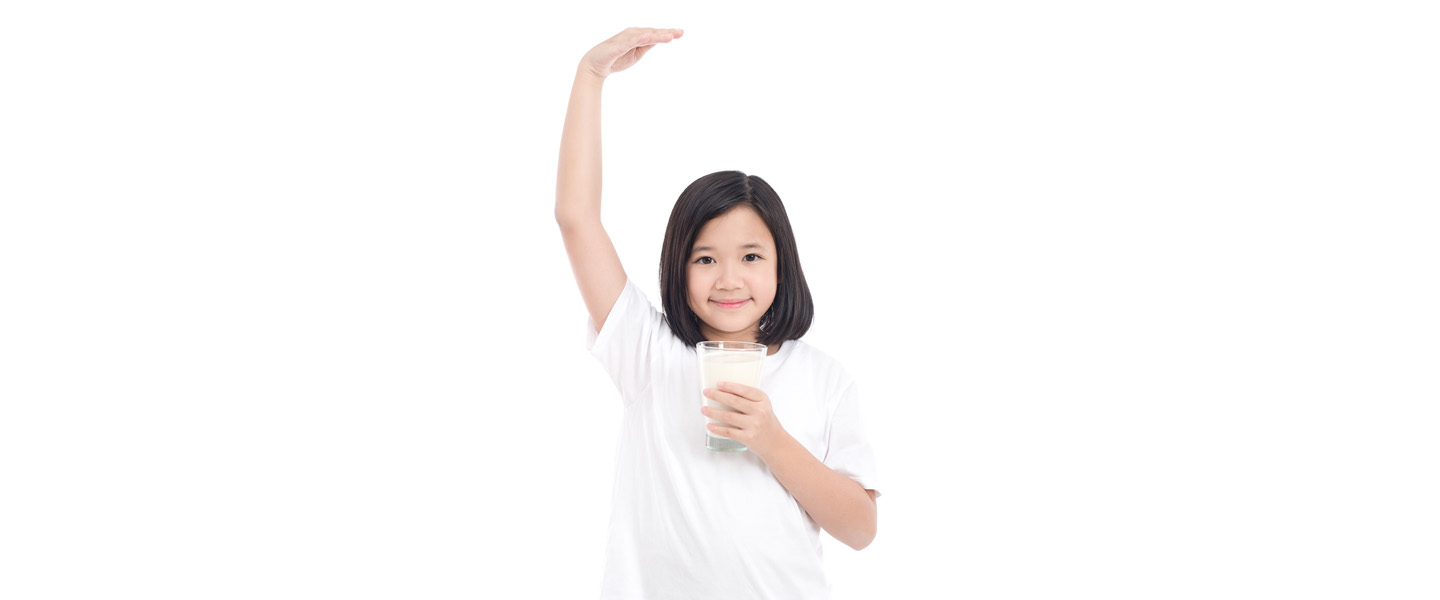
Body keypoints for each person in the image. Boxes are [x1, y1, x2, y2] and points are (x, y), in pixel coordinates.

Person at [555, 27, 882, 599]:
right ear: (678, 269)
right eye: (705, 258)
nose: (729, 279)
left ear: (783, 266)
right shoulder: (648, 353)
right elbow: (576, 218)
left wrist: (772, 439)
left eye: (751, 256)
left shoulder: (825, 379)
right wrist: (591, 75)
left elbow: (860, 529)